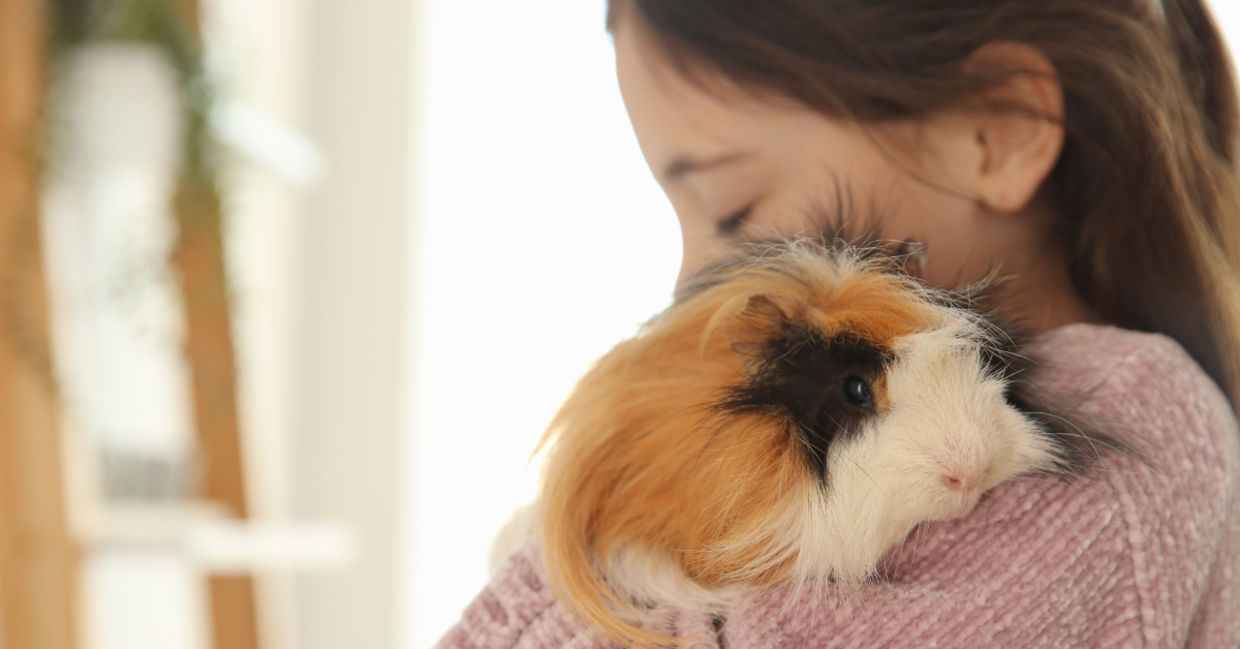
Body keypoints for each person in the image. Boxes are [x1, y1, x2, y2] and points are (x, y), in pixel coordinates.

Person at [436, 1, 1240, 646]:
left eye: (731, 205)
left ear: (997, 130)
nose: (690, 285)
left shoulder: (1129, 419)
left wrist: (577, 565)